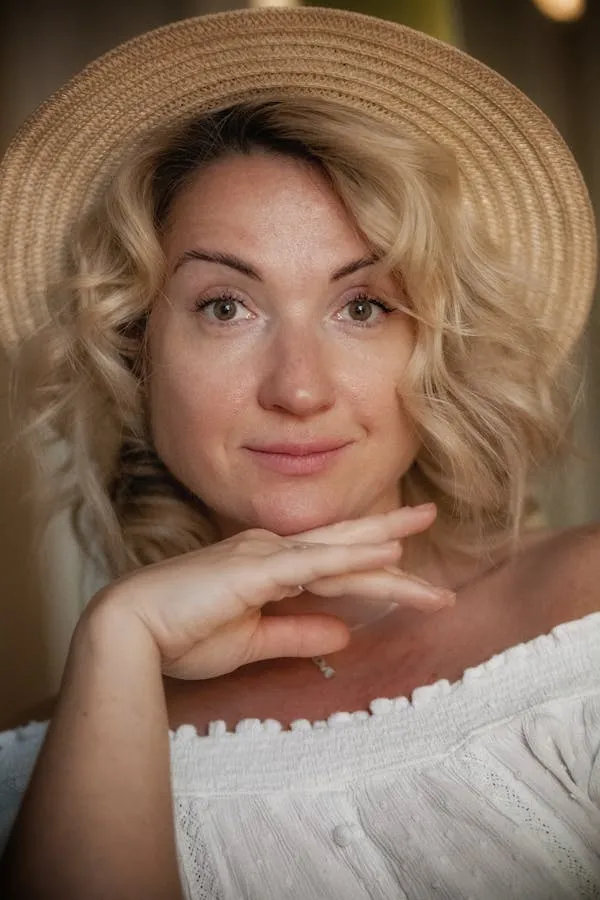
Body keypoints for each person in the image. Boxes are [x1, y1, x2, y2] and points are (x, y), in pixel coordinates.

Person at [0, 5, 598, 898]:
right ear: (135, 351)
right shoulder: (42, 773)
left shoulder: (586, 619)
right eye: (224, 306)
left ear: (436, 349)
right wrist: (117, 639)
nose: (299, 388)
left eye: (363, 307)